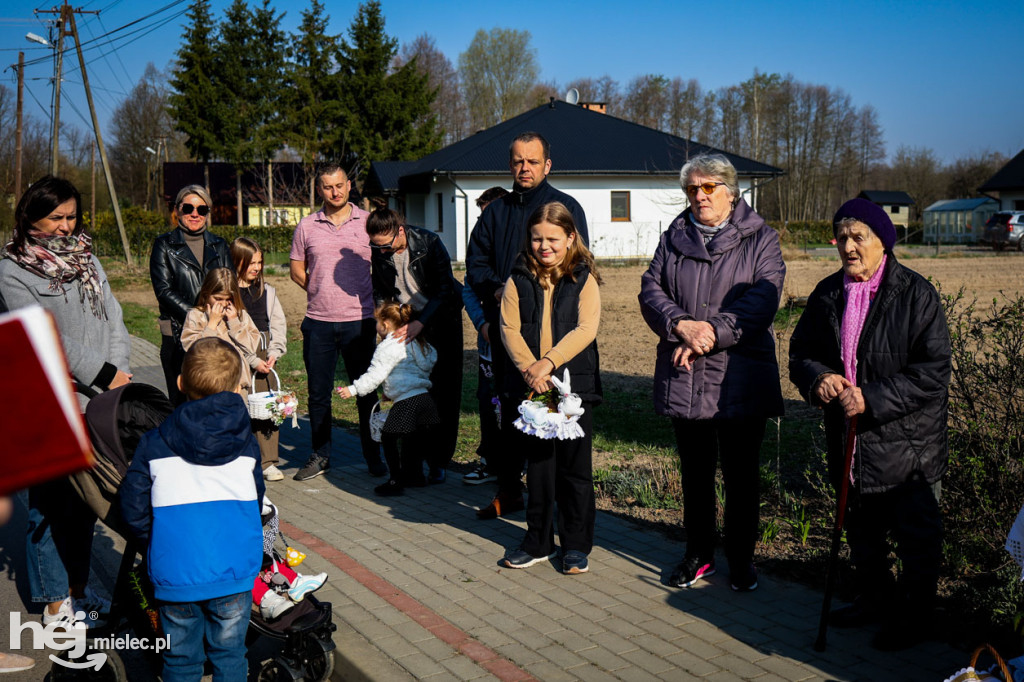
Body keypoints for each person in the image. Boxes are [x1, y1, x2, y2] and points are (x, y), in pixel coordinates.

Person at [789, 198, 951, 651]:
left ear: (883, 242)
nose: (848, 246)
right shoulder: (827, 293)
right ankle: (874, 600)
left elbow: (933, 371)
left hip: (908, 445)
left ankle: (914, 618)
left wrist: (872, 397)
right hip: (851, 441)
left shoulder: (915, 295)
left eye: (858, 236)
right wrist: (817, 378)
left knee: (916, 540)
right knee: (862, 532)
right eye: (841, 237)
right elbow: (801, 353)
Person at [638, 153, 785, 593]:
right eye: (691, 189)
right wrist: (680, 325)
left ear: (730, 191)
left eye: (708, 188)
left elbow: (762, 299)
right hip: (687, 379)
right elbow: (651, 288)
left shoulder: (761, 239)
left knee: (742, 477)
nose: (699, 197)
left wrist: (710, 334)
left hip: (739, 377)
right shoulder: (675, 235)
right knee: (696, 474)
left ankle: (741, 560)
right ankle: (698, 555)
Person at [0, 175, 131, 628]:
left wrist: (117, 371)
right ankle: (56, 601)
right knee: (51, 505)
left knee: (86, 505)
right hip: (51, 401)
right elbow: (46, 334)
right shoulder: (13, 270)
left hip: (98, 400)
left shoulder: (87, 259)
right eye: (55, 217)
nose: (65, 226)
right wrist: (105, 373)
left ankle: (77, 587)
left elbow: (114, 315)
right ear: (30, 217)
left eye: (71, 216)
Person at [120, 337, 264, 682]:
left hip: (175, 571)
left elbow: (132, 507)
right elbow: (257, 498)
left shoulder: (154, 443)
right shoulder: (247, 444)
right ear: (235, 387)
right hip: (233, 570)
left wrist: (154, 543)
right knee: (230, 654)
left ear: (180, 383)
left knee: (181, 660)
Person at [466, 132, 589, 519]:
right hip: (510, 334)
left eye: (532, 161)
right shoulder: (495, 213)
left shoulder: (566, 207)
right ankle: (509, 491)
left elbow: (581, 265)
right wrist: (501, 288)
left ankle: (553, 500)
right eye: (518, 161)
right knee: (509, 415)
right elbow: (475, 266)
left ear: (547, 165)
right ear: (510, 165)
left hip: (557, 335)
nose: (525, 168)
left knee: (555, 420)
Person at [497, 202, 602, 575]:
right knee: (539, 469)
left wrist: (549, 362)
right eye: (538, 238)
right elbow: (508, 328)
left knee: (575, 470)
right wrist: (530, 368)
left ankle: (575, 546)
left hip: (574, 388)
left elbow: (585, 329)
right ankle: (537, 541)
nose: (545, 246)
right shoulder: (517, 277)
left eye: (553, 239)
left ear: (570, 237)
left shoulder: (583, 278)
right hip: (532, 387)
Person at [290, 164, 385, 481]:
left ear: (348, 186)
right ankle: (320, 454)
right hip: (318, 323)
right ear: (320, 190)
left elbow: (382, 264)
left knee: (366, 392)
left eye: (340, 185)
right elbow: (296, 269)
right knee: (318, 393)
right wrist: (318, 289)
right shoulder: (307, 226)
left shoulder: (367, 222)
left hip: (360, 322)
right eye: (328, 187)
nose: (335, 192)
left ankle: (374, 456)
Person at [365, 208, 463, 483]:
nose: (380, 251)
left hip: (442, 321)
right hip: (406, 321)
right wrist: (383, 322)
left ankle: (439, 461)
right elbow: (381, 289)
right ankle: (413, 463)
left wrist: (423, 323)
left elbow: (444, 289)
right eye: (375, 246)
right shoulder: (379, 250)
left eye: (385, 245)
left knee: (444, 393)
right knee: (411, 393)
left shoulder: (429, 243)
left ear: (399, 230)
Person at [336, 302, 439, 497]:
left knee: (389, 437)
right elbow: (427, 362)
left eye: (377, 322)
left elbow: (375, 375)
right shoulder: (416, 341)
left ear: (384, 324)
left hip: (407, 402)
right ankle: (416, 475)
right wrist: (393, 390)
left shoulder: (387, 346)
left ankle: (395, 480)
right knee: (412, 439)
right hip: (425, 400)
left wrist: (353, 389)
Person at [151, 184, 231, 405]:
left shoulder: (220, 245)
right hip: (178, 334)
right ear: (177, 210)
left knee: (214, 402)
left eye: (201, 209)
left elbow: (229, 285)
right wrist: (199, 316)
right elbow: (164, 291)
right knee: (182, 404)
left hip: (217, 332)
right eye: (188, 208)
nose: (195, 214)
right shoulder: (164, 245)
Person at [231, 237, 289, 482]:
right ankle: (241, 460)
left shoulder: (269, 292)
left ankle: (268, 462)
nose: (256, 267)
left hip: (265, 355)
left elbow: (278, 324)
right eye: (251, 262)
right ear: (237, 262)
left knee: (268, 409)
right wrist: (251, 358)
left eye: (260, 262)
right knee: (241, 409)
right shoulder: (229, 292)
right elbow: (230, 330)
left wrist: (275, 351)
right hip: (239, 358)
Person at [462, 186, 509, 485]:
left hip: (522, 345)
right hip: (488, 343)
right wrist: (482, 325)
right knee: (488, 401)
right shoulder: (479, 249)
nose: (485, 223)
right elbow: (467, 289)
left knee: (518, 402)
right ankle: (489, 461)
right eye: (481, 217)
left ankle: (520, 462)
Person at [180, 268, 261, 394]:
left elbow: (251, 347)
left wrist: (235, 323)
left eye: (228, 299)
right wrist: (211, 325)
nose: (223, 304)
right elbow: (192, 350)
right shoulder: (196, 316)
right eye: (218, 299)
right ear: (206, 294)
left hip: (237, 386)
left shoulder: (240, 315)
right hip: (207, 386)